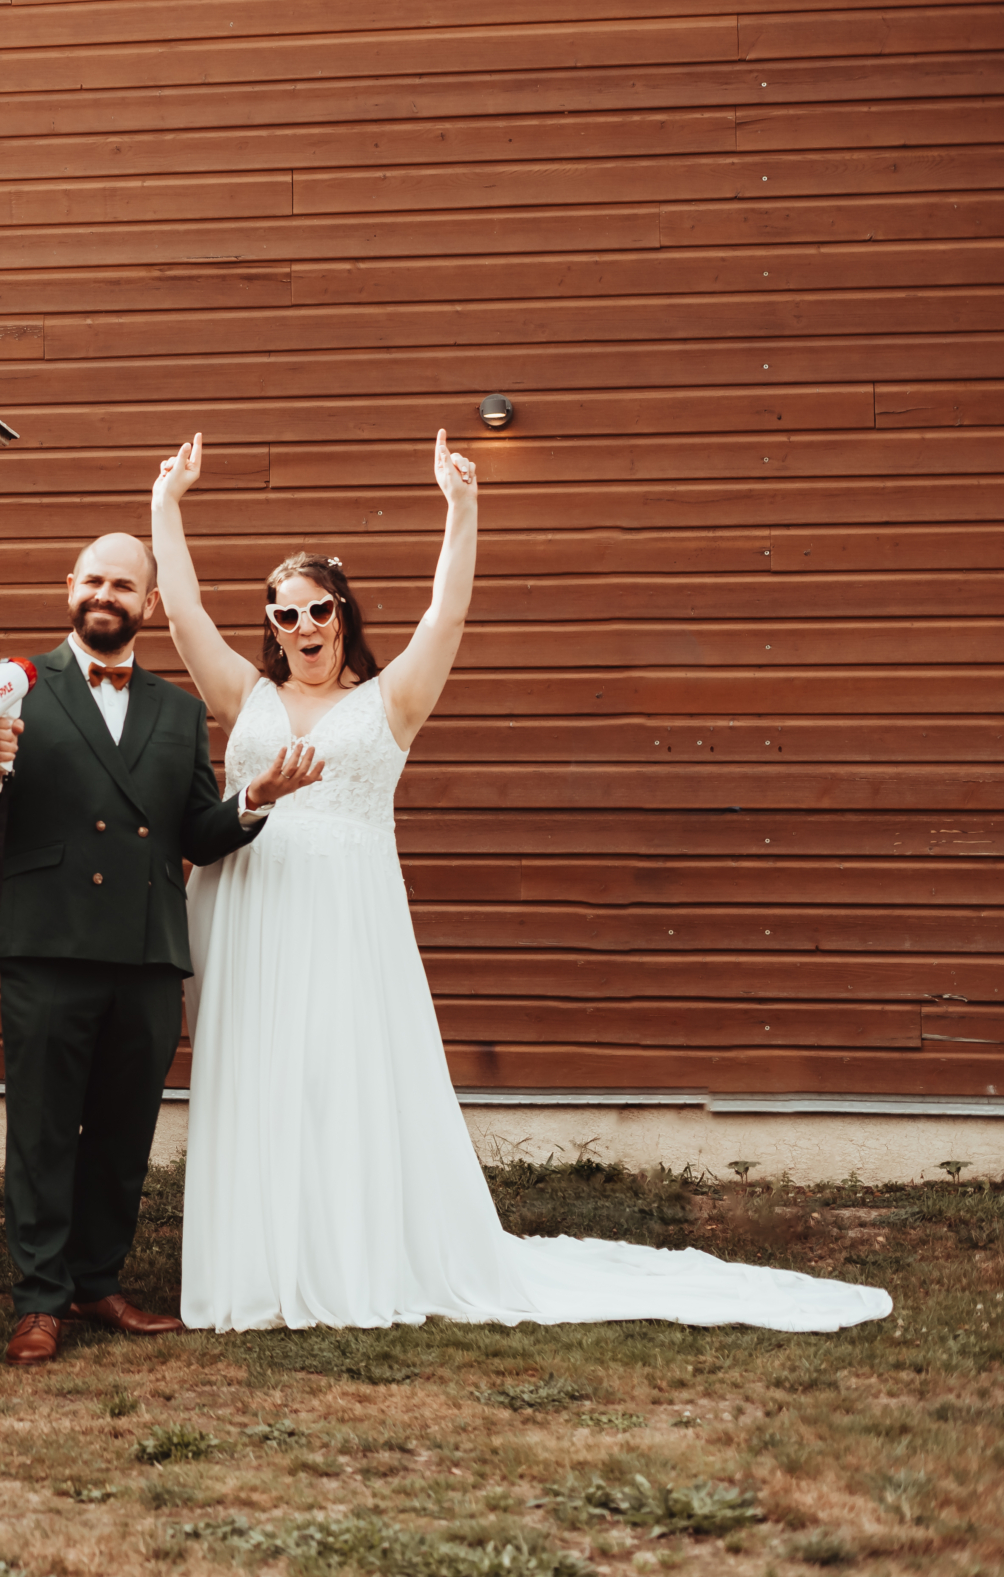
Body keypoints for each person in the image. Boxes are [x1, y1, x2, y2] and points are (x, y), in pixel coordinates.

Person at [150, 431, 890, 1333]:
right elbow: (182, 615)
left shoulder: (392, 701)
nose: (302, 627)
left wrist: (462, 508)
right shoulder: (246, 697)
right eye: (284, 615)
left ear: (343, 612)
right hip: (250, 910)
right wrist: (167, 503)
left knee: (340, 1079)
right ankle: (264, 1261)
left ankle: (349, 1258)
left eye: (317, 609)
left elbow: (446, 616)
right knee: (260, 1079)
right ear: (269, 627)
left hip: (347, 916)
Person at [0, 532, 322, 1365]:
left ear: (149, 603)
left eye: (123, 584)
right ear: (69, 586)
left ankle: (96, 1281)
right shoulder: (12, 687)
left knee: (123, 1131)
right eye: (94, 580)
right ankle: (39, 1298)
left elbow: (198, 833)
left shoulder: (178, 712)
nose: (105, 594)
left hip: (146, 949)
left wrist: (255, 797)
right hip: (46, 943)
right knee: (43, 1131)